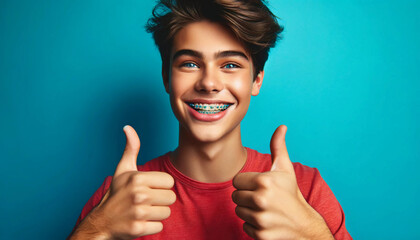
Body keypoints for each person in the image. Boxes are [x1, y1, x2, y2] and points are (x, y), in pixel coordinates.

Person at [68, 0, 352, 239]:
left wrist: (310, 232)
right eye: (190, 64)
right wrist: (97, 229)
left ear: (257, 81)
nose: (209, 83)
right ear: (166, 77)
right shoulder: (120, 195)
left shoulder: (305, 189)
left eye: (230, 65)